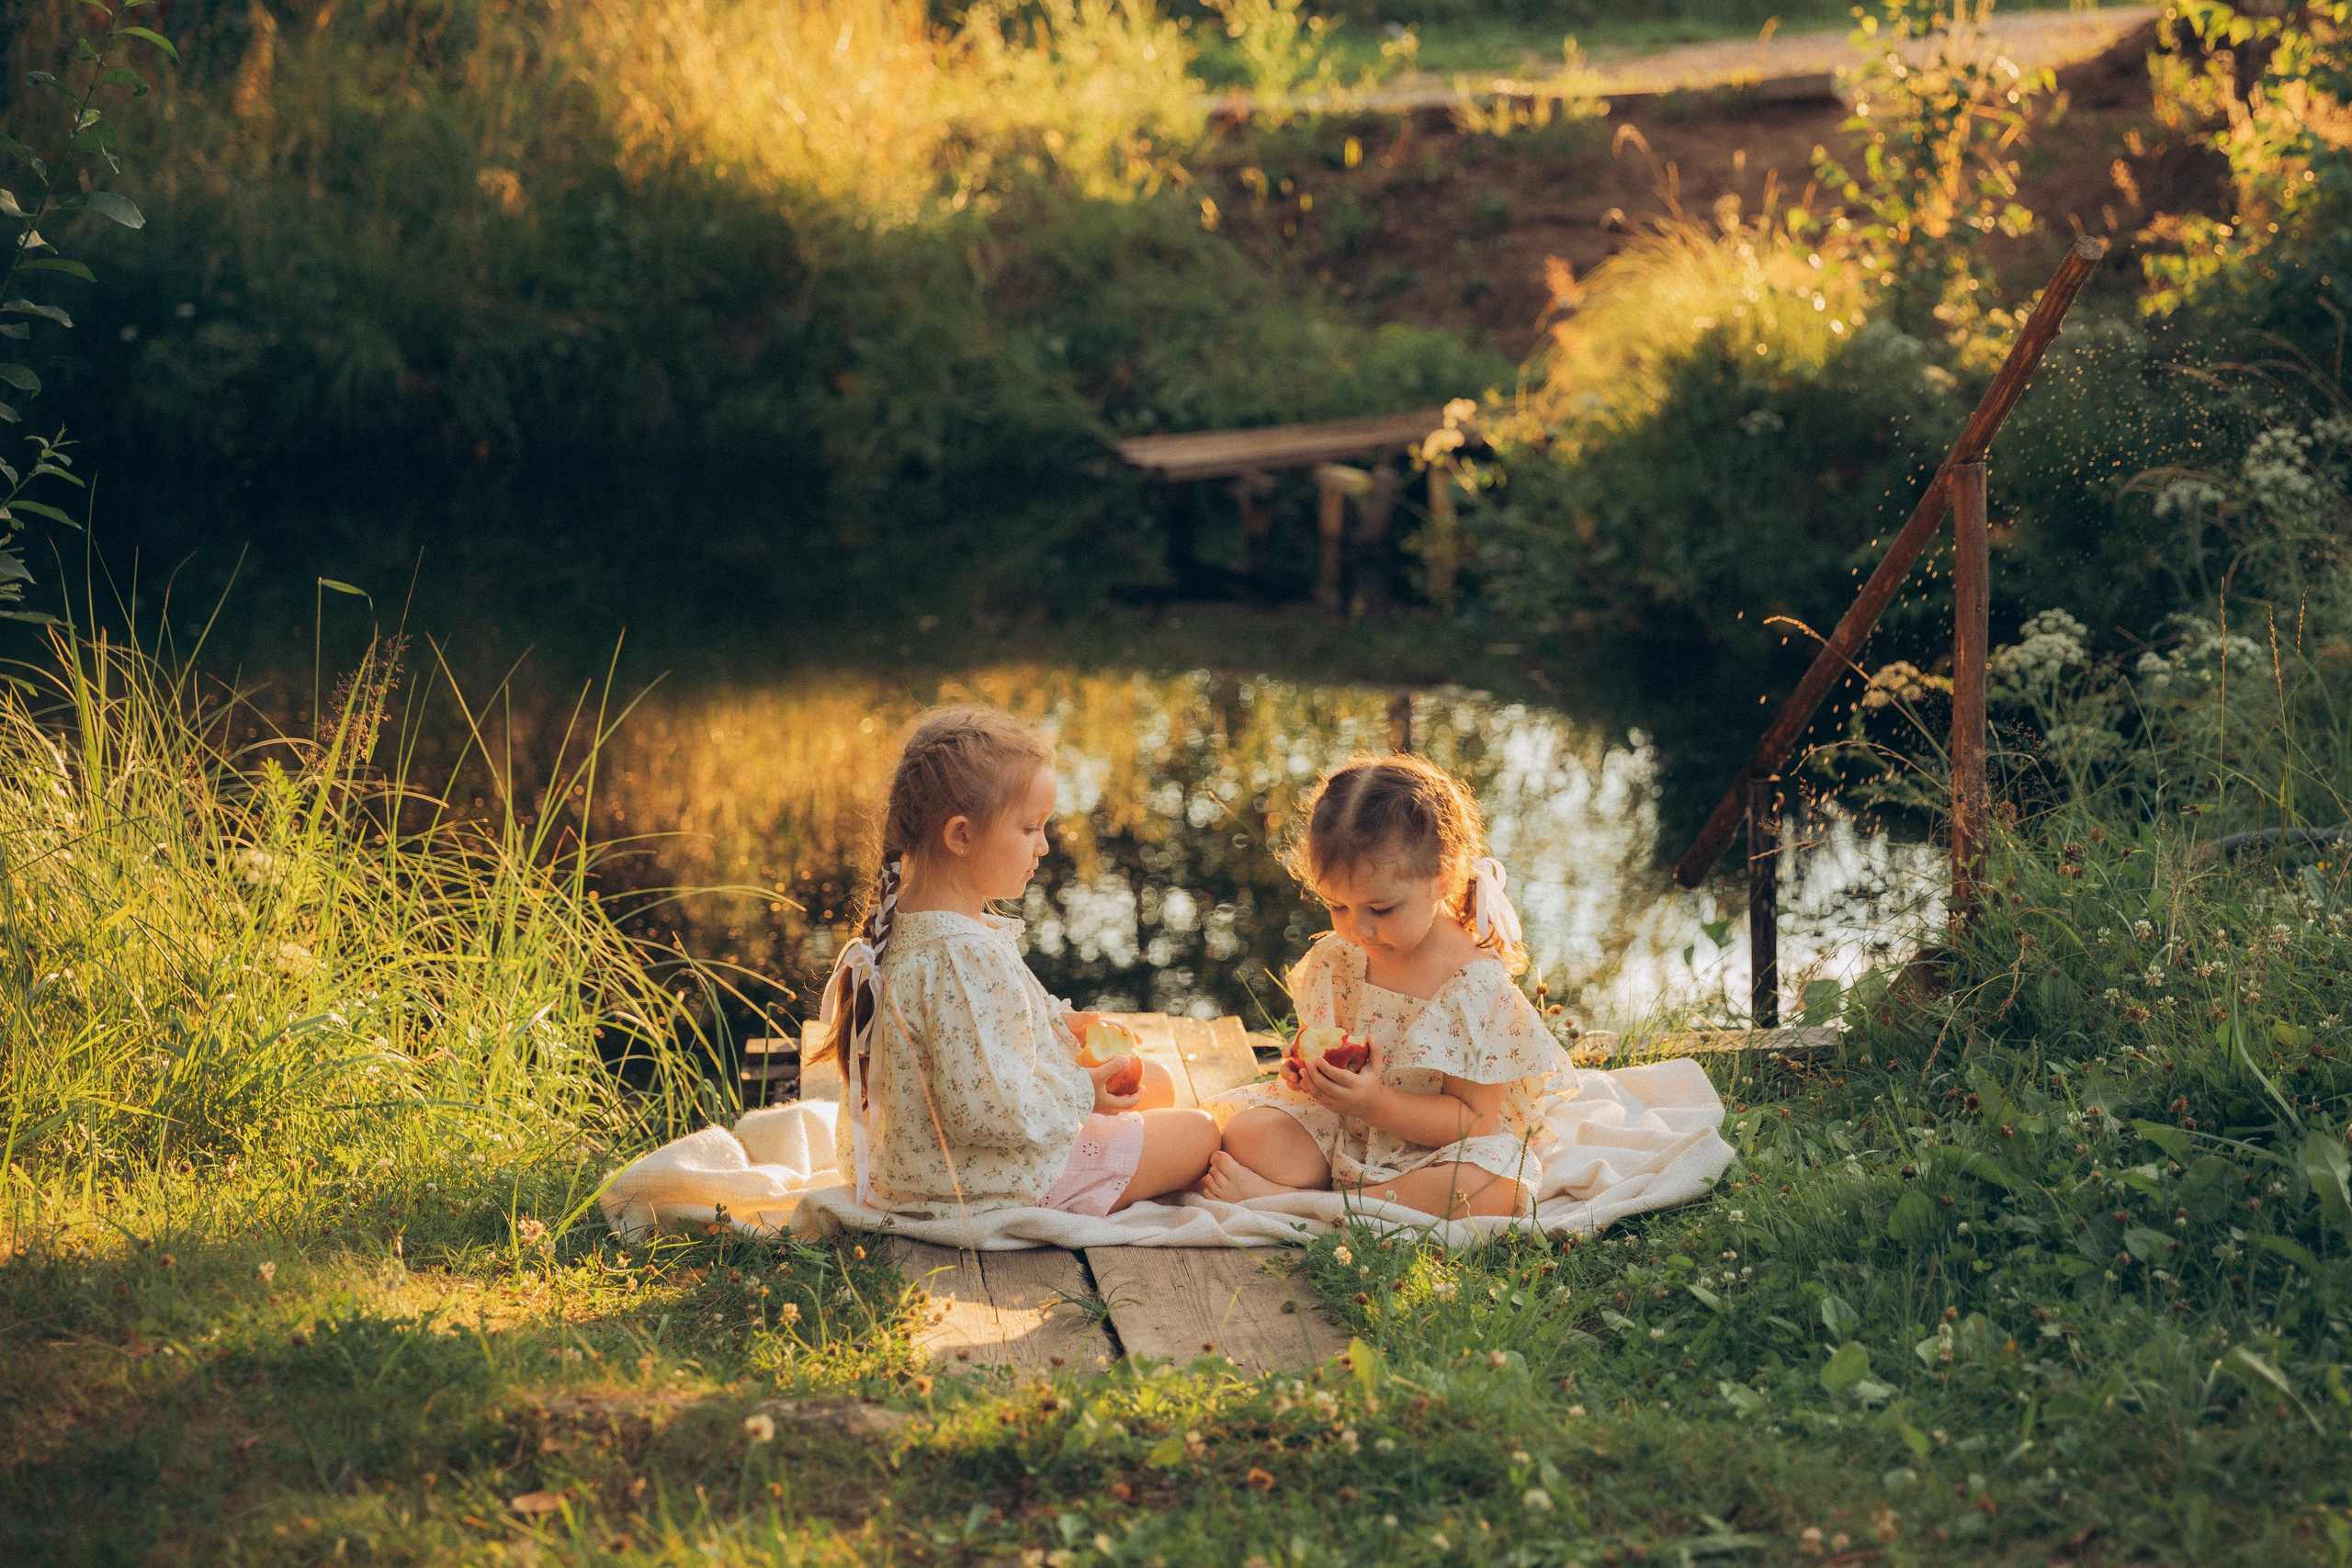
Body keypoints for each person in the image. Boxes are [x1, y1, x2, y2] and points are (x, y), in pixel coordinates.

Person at [814, 706, 1217, 1217]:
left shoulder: (909, 927)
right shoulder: (963, 955)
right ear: (960, 835)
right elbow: (983, 1114)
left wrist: (1058, 1026)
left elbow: (971, 1043)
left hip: (913, 1166)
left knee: (1155, 1082)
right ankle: (1094, 1173)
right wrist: (1081, 1092)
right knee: (1199, 1133)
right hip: (979, 1179)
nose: (1044, 846)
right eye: (1030, 828)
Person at [1202, 753, 1561, 1218]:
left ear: (1442, 878)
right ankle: (1332, 1194)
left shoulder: (1473, 986)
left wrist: (1379, 1103)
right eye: (1338, 907)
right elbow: (1328, 1041)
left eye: (1382, 909)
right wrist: (1306, 1072)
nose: (1360, 930)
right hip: (1346, 1127)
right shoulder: (1342, 955)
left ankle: (1309, 1204)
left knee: (1493, 1186)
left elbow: (1471, 1121)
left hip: (1434, 1148)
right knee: (1248, 1134)